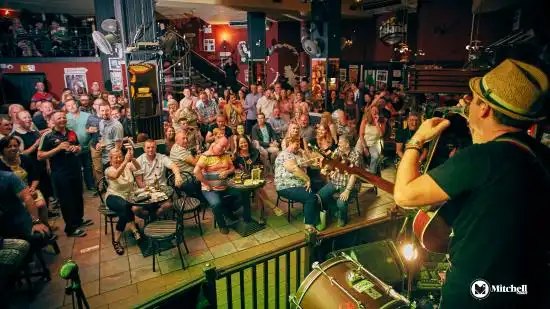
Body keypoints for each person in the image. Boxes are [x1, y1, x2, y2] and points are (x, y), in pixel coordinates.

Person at [394, 59, 550, 309]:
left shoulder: (483, 158)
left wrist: (418, 138)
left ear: (485, 108)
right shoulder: (540, 155)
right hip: (529, 291)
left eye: (473, 100)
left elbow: (403, 194)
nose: (466, 107)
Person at [38, 112, 91, 237]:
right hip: (60, 173)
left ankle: (79, 220)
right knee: (66, 200)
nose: (62, 119)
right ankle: (70, 228)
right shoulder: (48, 136)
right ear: (53, 121)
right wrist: (58, 148)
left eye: (63, 117)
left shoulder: (71, 132)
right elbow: (40, 155)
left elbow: (77, 146)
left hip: (75, 169)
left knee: (78, 196)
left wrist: (77, 148)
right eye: (59, 118)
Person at [194, 137, 251, 234]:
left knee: (244, 193)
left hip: (226, 186)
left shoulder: (225, 154)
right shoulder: (205, 156)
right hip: (211, 189)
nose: (224, 149)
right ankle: (222, 225)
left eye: (225, 147)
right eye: (222, 147)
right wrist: (206, 183)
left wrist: (227, 171)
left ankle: (244, 217)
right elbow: (196, 171)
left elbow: (232, 167)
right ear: (215, 144)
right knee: (216, 204)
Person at [274, 136, 322, 232]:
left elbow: (307, 164)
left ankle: (316, 217)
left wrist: (306, 155)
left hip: (294, 184)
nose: (298, 146)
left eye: (299, 144)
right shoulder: (286, 154)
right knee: (310, 197)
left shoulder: (294, 155)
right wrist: (307, 179)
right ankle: (309, 225)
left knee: (319, 186)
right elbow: (294, 169)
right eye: (296, 144)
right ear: (290, 143)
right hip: (286, 186)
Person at [0, 137, 49, 226]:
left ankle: (45, 227)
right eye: (9, 146)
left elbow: (35, 177)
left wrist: (32, 188)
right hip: (12, 195)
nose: (13, 148)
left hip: (29, 188)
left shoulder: (25, 159)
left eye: (15, 146)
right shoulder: (1, 164)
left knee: (41, 204)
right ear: (2, 149)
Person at [317, 135, 362, 227]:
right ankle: (336, 210)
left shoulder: (356, 155)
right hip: (336, 181)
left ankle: (343, 217)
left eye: (340, 142)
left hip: (348, 184)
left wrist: (347, 190)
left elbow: (354, 175)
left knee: (341, 203)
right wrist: (327, 170)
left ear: (347, 144)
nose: (338, 144)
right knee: (320, 196)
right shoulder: (337, 151)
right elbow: (331, 164)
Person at [105, 148, 142, 255]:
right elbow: (116, 175)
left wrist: (132, 158)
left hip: (128, 197)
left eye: (120, 156)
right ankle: (133, 230)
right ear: (110, 159)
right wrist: (125, 161)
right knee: (125, 206)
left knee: (125, 207)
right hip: (113, 196)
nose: (118, 159)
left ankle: (119, 239)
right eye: (115, 157)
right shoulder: (108, 170)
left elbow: (138, 167)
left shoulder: (128, 165)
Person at [135, 139, 183, 218]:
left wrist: (177, 175)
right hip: (146, 190)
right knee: (135, 209)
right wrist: (149, 191)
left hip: (161, 189)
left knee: (168, 205)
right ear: (144, 149)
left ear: (156, 148)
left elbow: (174, 166)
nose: (151, 149)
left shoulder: (162, 157)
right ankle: (151, 217)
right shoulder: (138, 160)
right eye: (148, 147)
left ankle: (153, 217)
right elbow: (139, 181)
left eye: (153, 147)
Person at [65, 99, 95, 191]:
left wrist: (92, 143)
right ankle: (78, 188)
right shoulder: (65, 117)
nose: (72, 107)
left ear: (77, 104)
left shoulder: (87, 116)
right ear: (66, 108)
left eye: (73, 104)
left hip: (87, 145)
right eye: (69, 106)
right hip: (74, 148)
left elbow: (94, 130)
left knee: (88, 167)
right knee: (76, 168)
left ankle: (90, 185)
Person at [358, 105, 386, 175]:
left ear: (378, 112)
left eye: (376, 110)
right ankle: (359, 173)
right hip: (363, 141)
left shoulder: (382, 121)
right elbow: (361, 134)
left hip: (374, 143)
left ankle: (371, 174)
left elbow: (381, 135)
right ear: (370, 112)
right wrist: (365, 147)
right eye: (373, 110)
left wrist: (377, 123)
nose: (375, 112)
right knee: (357, 154)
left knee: (375, 156)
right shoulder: (365, 120)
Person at [97, 103, 124, 168]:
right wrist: (99, 144)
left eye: (107, 110)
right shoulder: (101, 122)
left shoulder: (116, 126)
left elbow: (118, 148)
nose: (105, 113)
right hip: (104, 157)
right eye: (102, 110)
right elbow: (102, 138)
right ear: (99, 111)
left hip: (112, 160)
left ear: (110, 110)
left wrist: (112, 162)